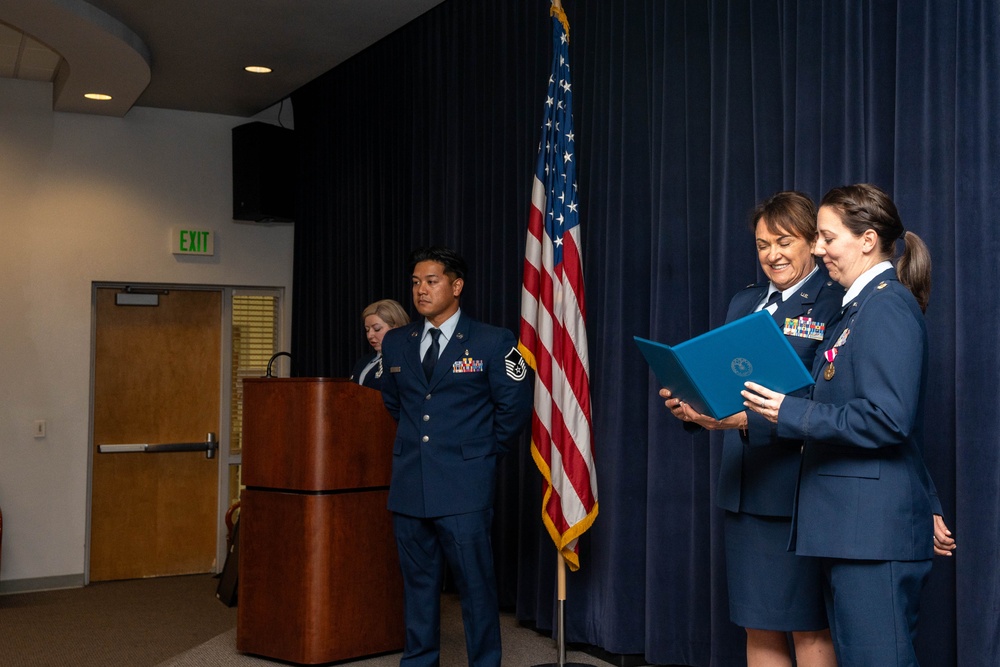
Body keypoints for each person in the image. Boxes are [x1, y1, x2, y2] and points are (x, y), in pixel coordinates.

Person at [742, 183, 956, 666]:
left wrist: (788, 411)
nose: (818, 250)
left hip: (873, 534)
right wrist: (931, 503)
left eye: (826, 238)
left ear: (866, 239)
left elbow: (888, 419)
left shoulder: (886, 306)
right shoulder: (855, 308)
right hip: (852, 530)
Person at [660, 191, 841, 667]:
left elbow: (828, 403)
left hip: (798, 491)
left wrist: (738, 418)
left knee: (808, 624)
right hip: (743, 487)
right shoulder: (744, 302)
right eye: (763, 244)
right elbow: (722, 384)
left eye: (785, 241)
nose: (773, 255)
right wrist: (693, 406)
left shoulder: (834, 303)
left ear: (814, 243)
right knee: (757, 622)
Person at [379, 246, 533, 667]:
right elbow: (395, 404)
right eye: (415, 283)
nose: (421, 290)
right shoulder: (396, 342)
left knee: (476, 587)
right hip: (411, 485)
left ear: (456, 286)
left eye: (431, 281)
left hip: (465, 486)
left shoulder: (493, 340)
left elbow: (514, 408)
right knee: (418, 586)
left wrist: (480, 453)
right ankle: (419, 661)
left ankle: (484, 663)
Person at [350, 298, 410, 389]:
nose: (370, 335)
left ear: (396, 327)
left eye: (377, 329)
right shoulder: (363, 361)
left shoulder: (409, 359)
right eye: (367, 330)